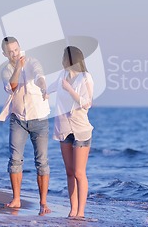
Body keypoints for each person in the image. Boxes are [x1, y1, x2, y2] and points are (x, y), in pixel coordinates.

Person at [0, 36, 51, 215]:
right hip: (18, 119)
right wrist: (18, 67)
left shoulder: (32, 62)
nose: (14, 54)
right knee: (15, 159)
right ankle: (16, 199)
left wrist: (44, 87)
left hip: (39, 118)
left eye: (16, 49)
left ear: (20, 48)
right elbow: (12, 86)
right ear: (4, 53)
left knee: (42, 162)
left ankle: (43, 202)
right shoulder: (6, 70)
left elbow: (39, 76)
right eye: (10, 51)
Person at [48, 46, 94, 219]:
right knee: (69, 171)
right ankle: (72, 210)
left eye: (64, 58)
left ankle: (80, 212)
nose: (62, 61)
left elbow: (87, 103)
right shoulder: (62, 75)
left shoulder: (85, 78)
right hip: (64, 128)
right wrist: (43, 90)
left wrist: (70, 89)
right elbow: (52, 87)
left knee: (79, 173)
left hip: (81, 129)